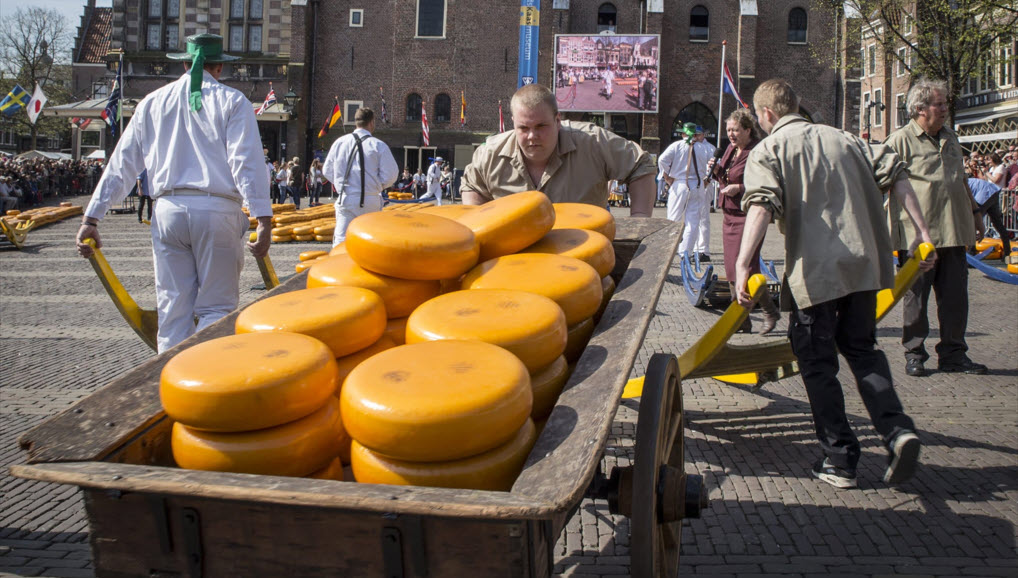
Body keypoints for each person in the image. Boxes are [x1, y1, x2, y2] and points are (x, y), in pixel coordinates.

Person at [735, 79, 935, 488]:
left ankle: (840, 459)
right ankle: (897, 430)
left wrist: (741, 264)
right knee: (862, 349)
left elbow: (759, 204)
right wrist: (922, 231)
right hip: (864, 265)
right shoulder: (847, 139)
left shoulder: (769, 149)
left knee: (816, 361)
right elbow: (897, 172)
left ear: (767, 115)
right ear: (798, 104)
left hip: (816, 271)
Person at [75, 33, 271, 353]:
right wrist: (263, 216)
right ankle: (203, 384)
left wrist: (92, 216)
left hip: (166, 209)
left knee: (172, 311)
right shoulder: (233, 101)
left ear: (184, 63)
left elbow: (122, 163)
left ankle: (169, 384)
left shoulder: (152, 102)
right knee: (217, 309)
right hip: (216, 209)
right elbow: (245, 162)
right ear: (219, 67)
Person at [885, 78, 988, 377]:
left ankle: (954, 354)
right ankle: (914, 353)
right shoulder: (899, 141)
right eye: (939, 104)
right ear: (920, 108)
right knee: (916, 297)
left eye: (945, 103)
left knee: (955, 298)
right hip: (918, 236)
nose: (945, 109)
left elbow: (961, 179)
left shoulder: (951, 137)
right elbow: (881, 185)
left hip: (954, 229)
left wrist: (976, 212)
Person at [460, 83, 656, 216]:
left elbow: (641, 164)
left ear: (557, 121)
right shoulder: (490, 154)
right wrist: (478, 227)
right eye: (523, 128)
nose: (532, 136)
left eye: (541, 126)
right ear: (513, 124)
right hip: (514, 261)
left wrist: (639, 222)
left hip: (583, 255)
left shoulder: (593, 142)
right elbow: (472, 186)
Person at [706, 108, 779, 334]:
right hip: (729, 214)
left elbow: (768, 182)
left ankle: (759, 312)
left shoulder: (756, 151)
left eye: (736, 130)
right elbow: (726, 177)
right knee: (731, 268)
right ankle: (747, 317)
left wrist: (740, 187)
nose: (731, 134)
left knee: (747, 266)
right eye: (729, 130)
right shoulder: (730, 149)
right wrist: (716, 170)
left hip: (749, 215)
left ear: (748, 129)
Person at [322, 107, 398, 245]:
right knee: (370, 240)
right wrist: (376, 185)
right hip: (370, 199)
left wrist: (341, 183)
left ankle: (340, 264)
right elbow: (391, 175)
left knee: (341, 241)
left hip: (346, 198)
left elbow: (327, 170)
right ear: (371, 122)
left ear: (355, 122)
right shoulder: (378, 145)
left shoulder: (339, 143)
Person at [658, 123, 716, 258]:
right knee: (693, 220)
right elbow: (714, 165)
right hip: (697, 185)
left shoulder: (676, 146)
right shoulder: (704, 148)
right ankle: (686, 252)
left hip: (679, 184)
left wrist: (667, 177)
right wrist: (707, 180)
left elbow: (662, 160)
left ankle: (669, 250)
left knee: (673, 218)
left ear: (683, 134)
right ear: (695, 134)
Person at [968, 177, 1010, 256]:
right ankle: (1007, 251)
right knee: (997, 222)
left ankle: (971, 252)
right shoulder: (962, 181)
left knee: (974, 221)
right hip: (992, 191)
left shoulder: (958, 185)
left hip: (984, 192)